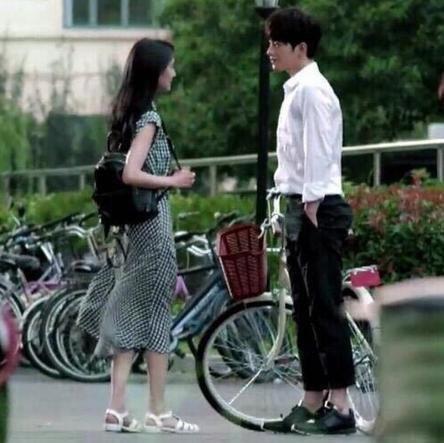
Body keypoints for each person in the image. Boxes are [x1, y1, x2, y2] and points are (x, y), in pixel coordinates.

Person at [77, 38, 199, 434]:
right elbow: (131, 173)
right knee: (149, 312)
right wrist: (173, 181)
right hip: (152, 226)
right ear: (155, 72)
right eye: (170, 66)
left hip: (131, 227)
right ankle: (147, 411)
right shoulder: (149, 119)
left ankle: (139, 410)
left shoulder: (126, 116)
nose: (174, 73)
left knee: (145, 313)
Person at [263, 8, 356, 435]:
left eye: (276, 44)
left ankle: (342, 405)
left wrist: (311, 206)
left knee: (324, 309)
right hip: (301, 206)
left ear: (300, 48)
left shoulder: (313, 91)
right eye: (269, 43)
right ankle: (314, 398)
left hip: (317, 207)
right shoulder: (296, 89)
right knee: (305, 310)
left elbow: (319, 151)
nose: (270, 51)